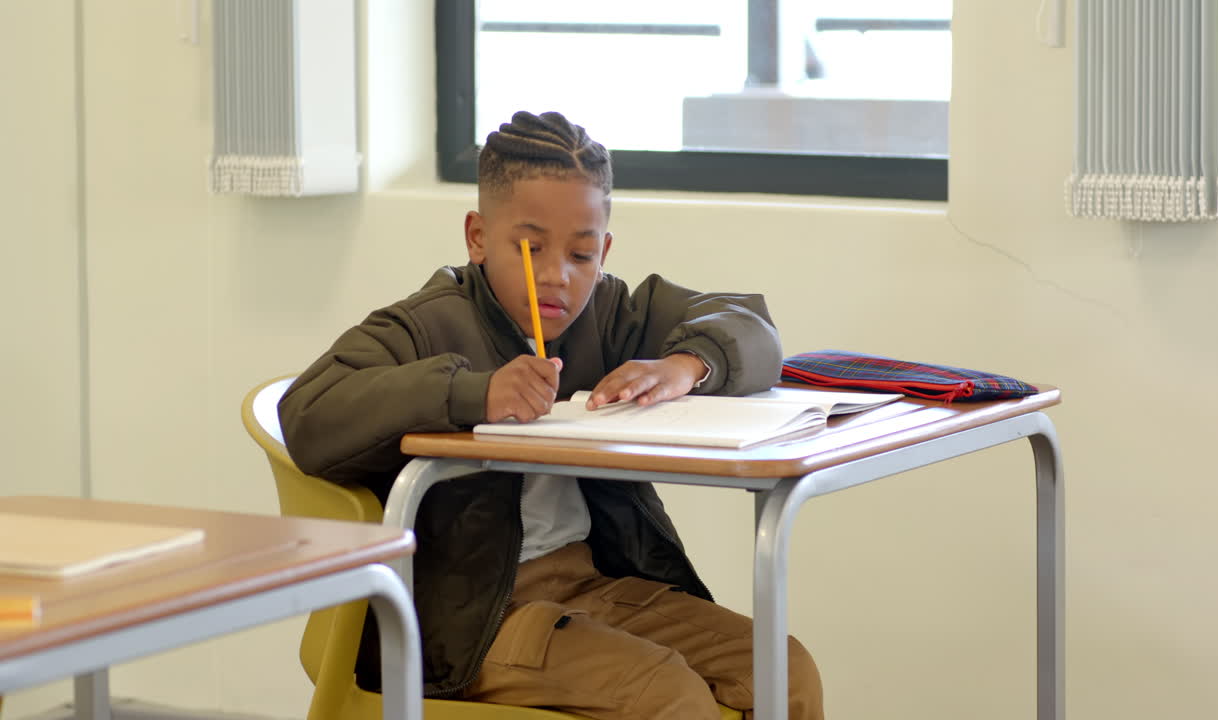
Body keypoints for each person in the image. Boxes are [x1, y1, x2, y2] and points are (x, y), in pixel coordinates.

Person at [278, 110, 822, 720]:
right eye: (530, 247)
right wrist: (473, 394)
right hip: (470, 622)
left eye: (582, 254)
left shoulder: (609, 314)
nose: (557, 276)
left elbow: (751, 328)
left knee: (783, 670)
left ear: (605, 250)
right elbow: (307, 411)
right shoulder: (427, 324)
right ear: (478, 237)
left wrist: (686, 365)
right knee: (666, 697)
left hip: (594, 584)